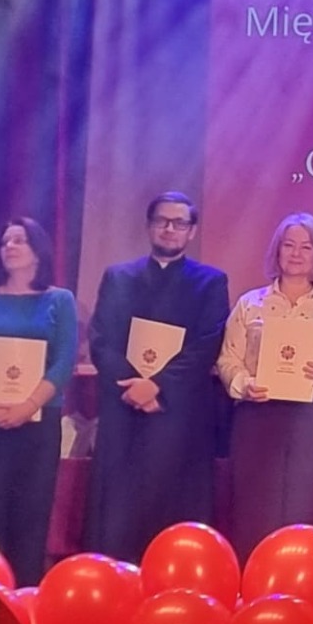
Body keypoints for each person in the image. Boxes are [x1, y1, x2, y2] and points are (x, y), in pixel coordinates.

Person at [84, 192, 231, 563]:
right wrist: (133, 385)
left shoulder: (210, 282)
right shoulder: (119, 277)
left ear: (191, 231)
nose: (169, 229)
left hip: (179, 416)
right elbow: (101, 339)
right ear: (149, 226)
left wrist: (157, 385)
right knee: (117, 517)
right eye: (162, 221)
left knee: (174, 516)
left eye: (179, 223)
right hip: (124, 409)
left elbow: (207, 343)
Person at [217, 212, 313, 554]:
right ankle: (254, 579)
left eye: (306, 247)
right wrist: (245, 384)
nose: (296, 253)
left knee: (311, 510)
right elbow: (227, 359)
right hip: (259, 418)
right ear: (277, 251)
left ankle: (310, 580)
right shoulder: (249, 304)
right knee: (255, 509)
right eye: (289, 245)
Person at [0, 217, 78, 584]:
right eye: (5, 241)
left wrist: (28, 406)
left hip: (38, 425)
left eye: (19, 240)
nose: (9, 246)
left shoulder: (60, 300)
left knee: (30, 516)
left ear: (38, 251)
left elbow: (64, 361)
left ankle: (24, 598)